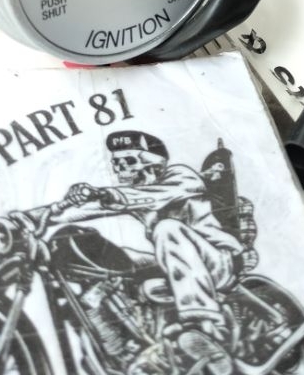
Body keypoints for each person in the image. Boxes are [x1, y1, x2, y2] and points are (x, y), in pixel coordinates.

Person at [57, 130, 245, 373]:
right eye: (116, 163)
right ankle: (125, 345)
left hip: (217, 261)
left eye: (128, 161)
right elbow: (86, 210)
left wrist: (105, 194)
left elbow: (156, 196)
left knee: (167, 228)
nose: (120, 168)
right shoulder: (135, 193)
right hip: (177, 263)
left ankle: (203, 327)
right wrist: (36, 217)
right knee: (114, 258)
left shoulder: (181, 177)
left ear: (152, 163)